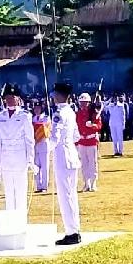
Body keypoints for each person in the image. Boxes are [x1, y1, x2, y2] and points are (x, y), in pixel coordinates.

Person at [0, 85, 34, 215]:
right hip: (5, 157)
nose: (10, 100)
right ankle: (10, 217)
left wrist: (30, 160)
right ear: (4, 99)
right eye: (8, 98)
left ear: (18, 99)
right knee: (9, 190)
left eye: (13, 97)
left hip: (20, 155)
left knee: (21, 189)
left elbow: (29, 139)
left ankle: (21, 218)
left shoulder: (25, 115)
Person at [50, 82, 82, 245]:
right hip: (71, 155)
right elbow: (76, 136)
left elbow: (55, 137)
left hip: (62, 156)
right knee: (71, 195)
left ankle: (71, 232)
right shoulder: (71, 111)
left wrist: (42, 150)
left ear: (59, 95)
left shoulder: (59, 113)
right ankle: (75, 229)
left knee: (65, 196)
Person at [76, 92, 103, 191]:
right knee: (84, 163)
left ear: (89, 103)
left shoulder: (94, 113)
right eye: (81, 102)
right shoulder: (77, 114)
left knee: (93, 163)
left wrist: (92, 125)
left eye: (85, 102)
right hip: (82, 141)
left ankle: (93, 182)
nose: (83, 104)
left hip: (91, 140)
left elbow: (99, 126)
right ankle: (86, 183)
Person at [31, 100, 51, 193]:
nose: (36, 110)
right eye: (35, 108)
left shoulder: (46, 118)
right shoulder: (33, 118)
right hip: (35, 144)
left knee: (44, 166)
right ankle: (38, 185)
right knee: (36, 165)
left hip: (43, 143)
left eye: (38, 108)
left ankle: (44, 186)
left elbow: (44, 129)